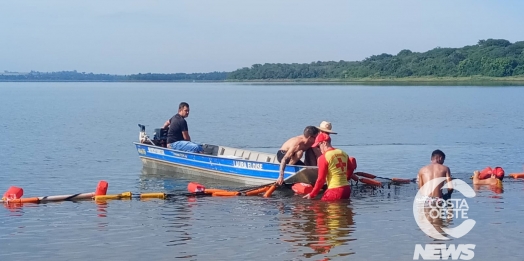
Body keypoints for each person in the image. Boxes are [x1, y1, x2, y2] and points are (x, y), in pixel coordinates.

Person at [303, 132, 355, 201]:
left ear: (324, 143)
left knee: (318, 208)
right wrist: (347, 178)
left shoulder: (323, 157)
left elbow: (321, 179)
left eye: (318, 146)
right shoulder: (342, 153)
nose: (319, 149)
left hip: (334, 191)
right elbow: (351, 168)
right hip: (347, 190)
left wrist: (312, 194)